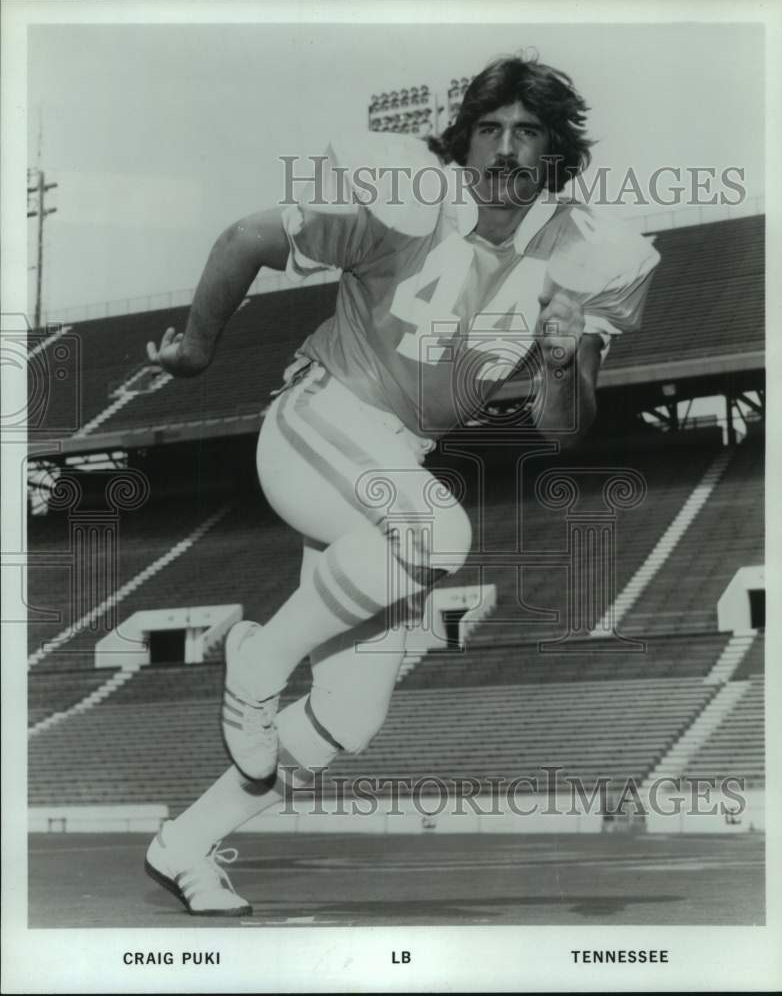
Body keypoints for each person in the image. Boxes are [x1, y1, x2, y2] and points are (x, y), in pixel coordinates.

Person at [143, 54, 660, 915]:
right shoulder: (413, 201)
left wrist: (566, 360)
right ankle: (259, 656)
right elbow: (244, 239)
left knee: (350, 715)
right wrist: (196, 352)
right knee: (439, 536)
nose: (504, 148)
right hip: (317, 422)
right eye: (487, 129)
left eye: (526, 132)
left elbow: (562, 425)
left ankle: (185, 843)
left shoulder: (586, 257)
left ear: (554, 154)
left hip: (390, 469)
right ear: (461, 144)